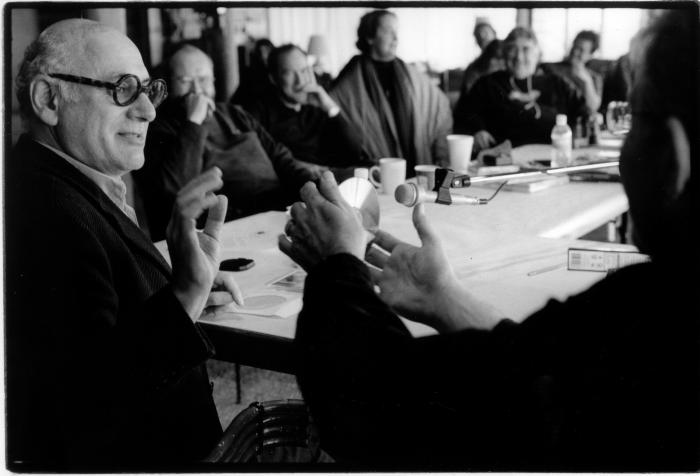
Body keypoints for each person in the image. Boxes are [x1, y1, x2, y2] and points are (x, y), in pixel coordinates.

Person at [279, 10, 700, 470]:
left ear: (672, 155)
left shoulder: (644, 314)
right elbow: (529, 370)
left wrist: (336, 264)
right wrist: (445, 298)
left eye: (633, 120)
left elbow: (379, 406)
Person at [6, 19, 245, 469]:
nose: (148, 111)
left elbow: (98, 327)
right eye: (122, 89)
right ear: (48, 100)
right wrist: (183, 296)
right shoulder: (45, 212)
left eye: (148, 89)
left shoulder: (72, 183)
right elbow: (88, 404)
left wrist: (179, 295)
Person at [136, 44, 322, 241]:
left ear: (214, 81)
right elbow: (173, 190)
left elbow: (281, 158)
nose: (197, 89)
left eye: (203, 80)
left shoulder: (234, 113)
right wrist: (194, 122)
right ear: (169, 85)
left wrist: (316, 189)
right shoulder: (158, 129)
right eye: (185, 81)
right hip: (226, 229)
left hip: (277, 214)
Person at [330, 9, 452, 173]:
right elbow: (336, 107)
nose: (396, 38)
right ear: (370, 37)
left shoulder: (408, 72)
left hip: (416, 170)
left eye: (396, 31)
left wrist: (441, 153)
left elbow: (440, 104)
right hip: (377, 174)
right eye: (388, 31)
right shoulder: (352, 76)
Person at [453, 26, 588, 152]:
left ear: (537, 53)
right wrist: (477, 131)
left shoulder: (557, 82)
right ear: (505, 54)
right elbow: (463, 118)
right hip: (502, 162)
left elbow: (584, 112)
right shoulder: (488, 84)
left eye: (526, 49)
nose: (518, 56)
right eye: (512, 49)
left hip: (554, 159)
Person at [244, 44, 366, 173]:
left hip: (332, 177)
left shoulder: (318, 106)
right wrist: (305, 168)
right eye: (289, 73)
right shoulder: (260, 112)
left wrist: (329, 106)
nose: (300, 80)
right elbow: (257, 158)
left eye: (303, 70)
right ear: (274, 79)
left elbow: (354, 152)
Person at [543, 30, 603, 114]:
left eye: (581, 50)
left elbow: (593, 107)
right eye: (574, 47)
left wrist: (586, 82)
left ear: (590, 55)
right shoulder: (552, 68)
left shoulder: (595, 78)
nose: (575, 52)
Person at [230, 37, 275, 108]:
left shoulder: (277, 73)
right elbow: (237, 99)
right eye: (260, 52)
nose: (264, 56)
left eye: (266, 50)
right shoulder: (250, 74)